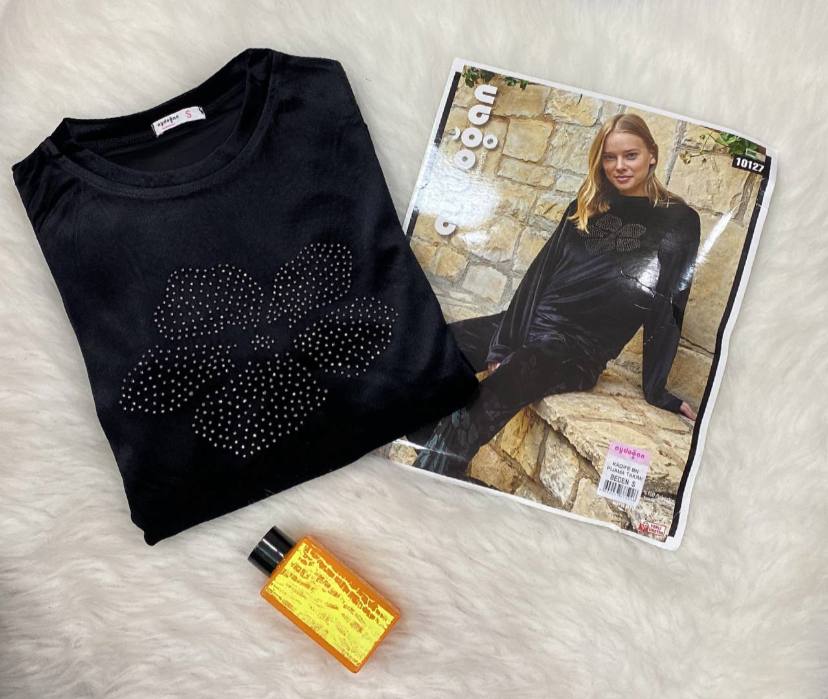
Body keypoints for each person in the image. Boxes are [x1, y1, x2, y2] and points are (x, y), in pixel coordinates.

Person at [409, 113, 701, 480]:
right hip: (532, 322)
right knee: (439, 346)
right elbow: (540, 274)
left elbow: (668, 306)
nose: (619, 166)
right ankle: (422, 441)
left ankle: (430, 478)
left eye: (631, 155)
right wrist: (505, 343)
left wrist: (657, 390)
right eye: (609, 157)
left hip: (575, 349)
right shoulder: (587, 204)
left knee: (502, 384)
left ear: (652, 155)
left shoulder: (679, 220)